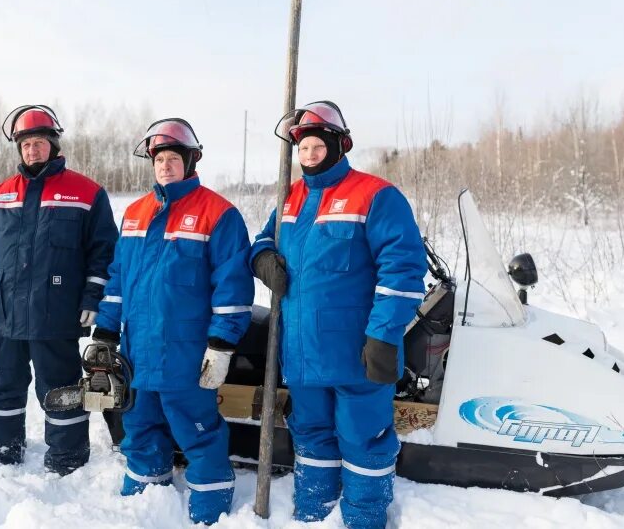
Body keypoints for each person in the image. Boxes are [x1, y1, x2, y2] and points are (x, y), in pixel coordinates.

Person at [249, 101, 427, 529]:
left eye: (316, 146)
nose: (308, 156)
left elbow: (402, 268)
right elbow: (261, 239)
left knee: (363, 439)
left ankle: (364, 518)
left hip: (357, 353)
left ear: (338, 145)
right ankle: (313, 515)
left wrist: (384, 334)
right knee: (310, 436)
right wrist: (263, 258)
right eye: (303, 148)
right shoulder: (288, 197)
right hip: (302, 351)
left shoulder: (376, 195)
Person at [92, 118, 253, 525]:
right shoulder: (134, 213)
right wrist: (107, 330)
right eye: (159, 159)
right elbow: (118, 279)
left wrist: (222, 344)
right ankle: (144, 499)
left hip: (187, 353)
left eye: (172, 159)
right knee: (140, 425)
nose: (165, 166)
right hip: (137, 350)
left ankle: (211, 507)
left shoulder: (218, 214)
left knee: (198, 431)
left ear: (191, 161)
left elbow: (233, 286)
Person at [0, 105, 118, 475]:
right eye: (26, 145)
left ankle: (68, 458)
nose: (32, 151)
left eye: (39, 143)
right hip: (4, 316)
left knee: (60, 390)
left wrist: (94, 298)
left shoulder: (86, 193)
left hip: (55, 316)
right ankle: (4, 450)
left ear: (53, 146)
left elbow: (104, 253)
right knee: (1, 388)